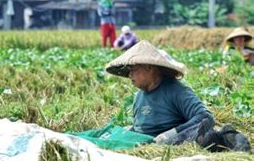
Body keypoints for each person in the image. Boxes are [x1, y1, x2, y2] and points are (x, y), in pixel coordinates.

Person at [105, 40, 251, 152]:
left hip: (176, 143)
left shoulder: (176, 90)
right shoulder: (138, 97)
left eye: (133, 69)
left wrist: (173, 134)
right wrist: (129, 131)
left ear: (149, 67)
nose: (129, 74)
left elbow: (204, 116)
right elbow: (139, 126)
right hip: (146, 145)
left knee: (206, 138)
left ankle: (226, 136)